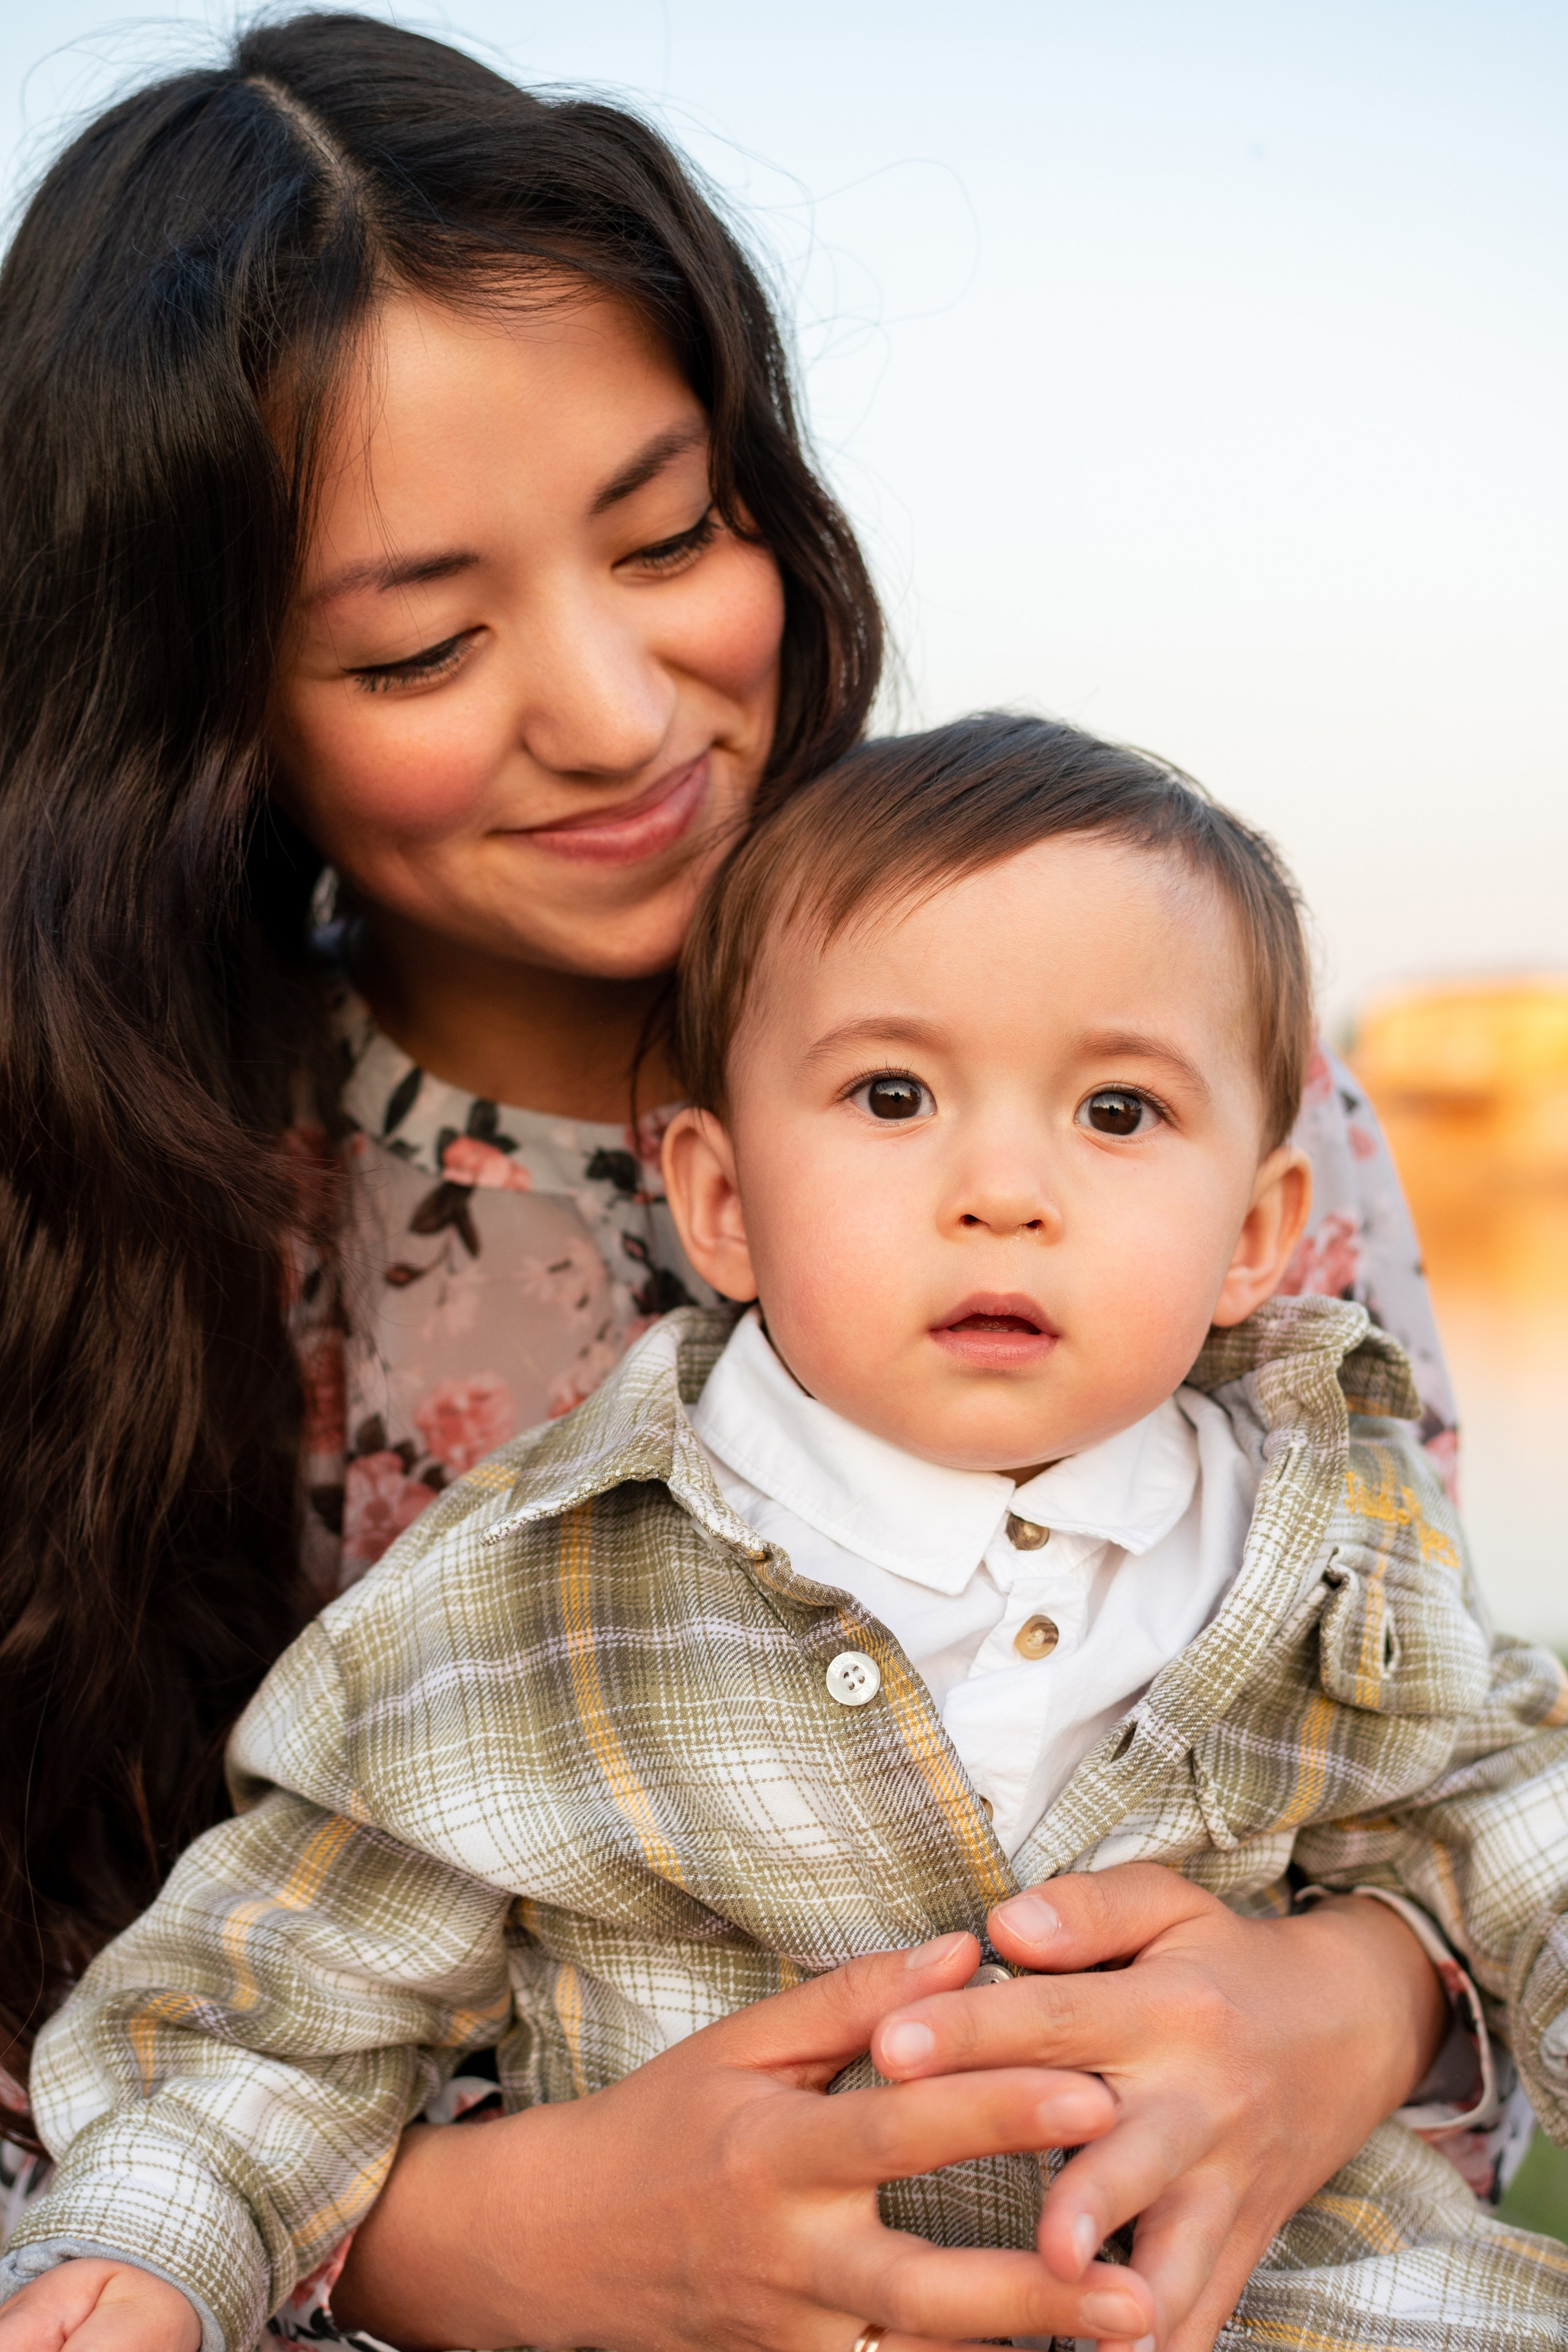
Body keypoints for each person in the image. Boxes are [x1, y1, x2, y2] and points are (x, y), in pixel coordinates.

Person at [0, 13, 1491, 2348]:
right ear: (199, 707)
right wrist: (479, 2245)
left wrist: (1368, 2006)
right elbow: (134, 2061)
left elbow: (1419, 1748)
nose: (610, 708)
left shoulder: (1172, 1062)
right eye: (420, 639)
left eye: (671, 534)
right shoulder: (102, 1206)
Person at [5, 716, 1566, 2352]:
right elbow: (287, 1987)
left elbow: (1513, 1817)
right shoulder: (549, 1590)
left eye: (1117, 1111)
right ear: (724, 1201)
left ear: (1255, 1237)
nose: (1006, 1188)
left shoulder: (1323, 1536)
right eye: (895, 1094)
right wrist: (151, 2257)